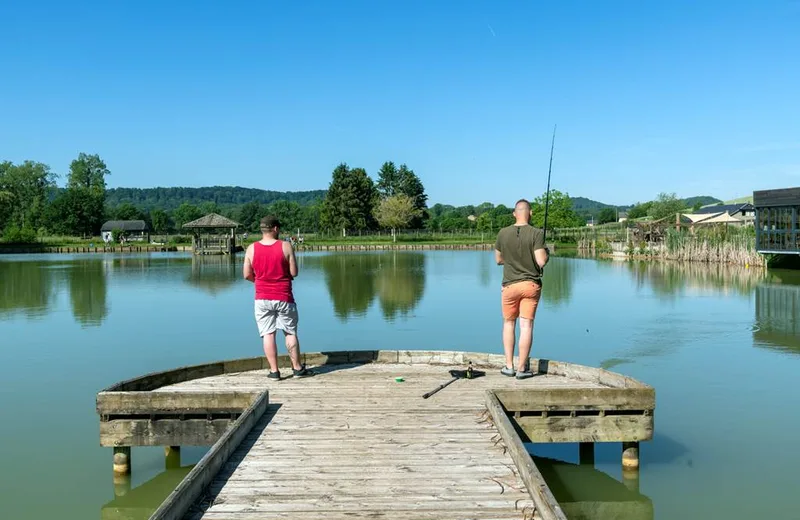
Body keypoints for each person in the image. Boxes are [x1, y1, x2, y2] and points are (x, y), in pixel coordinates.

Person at [243, 215, 311, 379]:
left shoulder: (251, 248)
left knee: (268, 334)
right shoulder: (286, 246)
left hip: (262, 298)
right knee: (290, 332)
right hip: (284, 296)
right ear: (275, 228)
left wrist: (259, 281)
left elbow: (246, 275)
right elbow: (294, 272)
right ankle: (297, 368)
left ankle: (274, 372)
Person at [494, 199, 550, 379]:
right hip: (530, 285)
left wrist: (511, 259)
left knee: (509, 323)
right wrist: (546, 252)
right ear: (530, 213)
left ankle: (508, 366)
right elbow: (541, 261)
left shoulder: (502, 233)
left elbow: (498, 260)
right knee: (526, 325)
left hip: (509, 285)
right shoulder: (536, 233)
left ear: (514, 213)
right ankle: (521, 369)